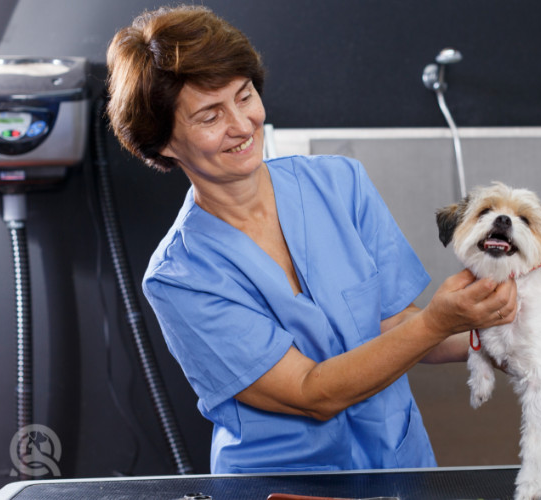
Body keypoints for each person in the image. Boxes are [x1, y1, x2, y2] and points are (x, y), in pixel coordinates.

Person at [106, 5, 516, 474]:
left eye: (244, 96)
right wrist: (438, 323)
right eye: (209, 116)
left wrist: (499, 340)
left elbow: (395, 323)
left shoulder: (340, 184)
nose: (242, 125)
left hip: (398, 465)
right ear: (162, 143)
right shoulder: (181, 278)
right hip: (285, 483)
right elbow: (309, 393)